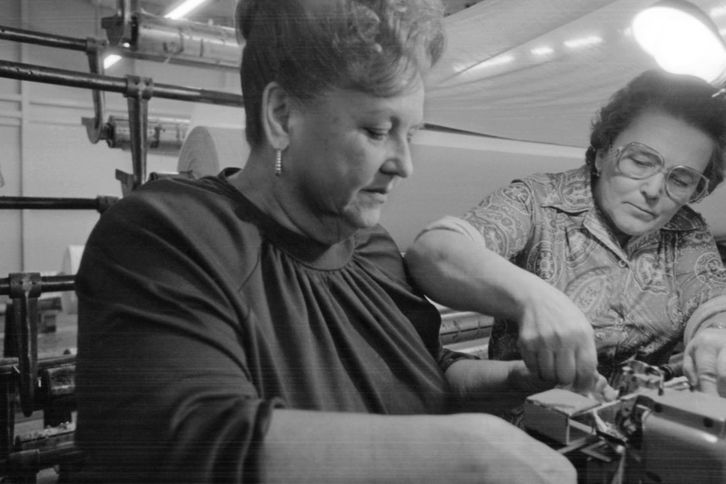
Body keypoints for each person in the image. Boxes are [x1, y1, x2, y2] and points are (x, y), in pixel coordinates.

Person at [73, 0, 576, 482]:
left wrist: (511, 383)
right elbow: (185, 444)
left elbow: (425, 376)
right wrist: (471, 454)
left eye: (412, 133)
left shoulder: (372, 248)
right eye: (378, 130)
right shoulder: (169, 235)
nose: (405, 163)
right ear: (282, 116)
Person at [406, 69, 726, 399]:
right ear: (603, 154)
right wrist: (534, 298)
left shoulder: (687, 230)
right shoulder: (536, 202)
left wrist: (717, 332)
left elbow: (713, 299)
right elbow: (434, 252)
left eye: (681, 180)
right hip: (524, 424)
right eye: (641, 161)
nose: (655, 190)